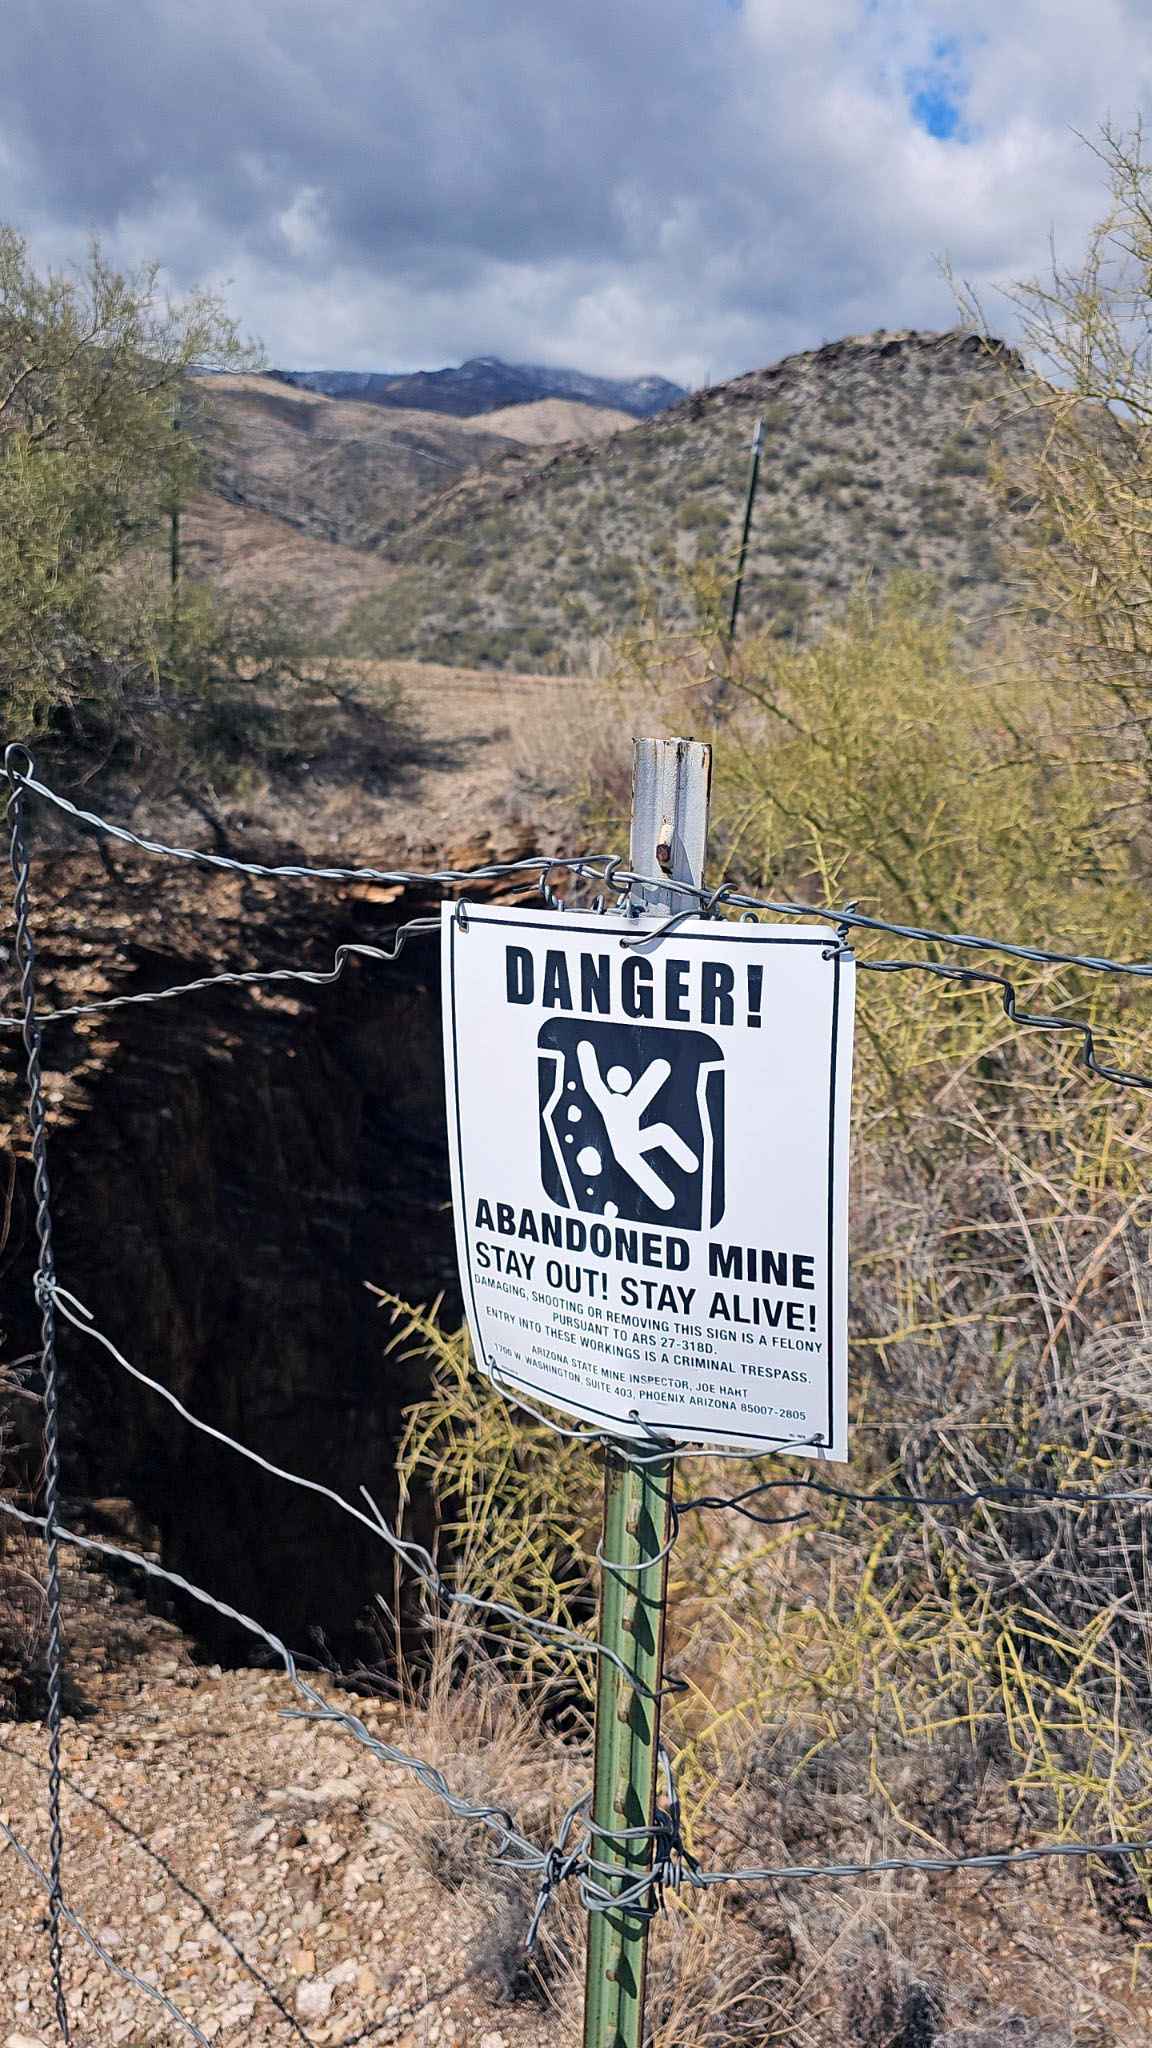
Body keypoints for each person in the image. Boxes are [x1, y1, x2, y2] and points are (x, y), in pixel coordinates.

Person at [575, 1039, 698, 1212]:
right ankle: (667, 1196)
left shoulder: (625, 1103)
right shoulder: (608, 1102)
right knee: (652, 1152)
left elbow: (643, 1091)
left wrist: (658, 1071)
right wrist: (585, 1054)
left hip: (633, 1141)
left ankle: (689, 1164)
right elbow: (592, 1083)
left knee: (661, 1131)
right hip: (623, 1151)